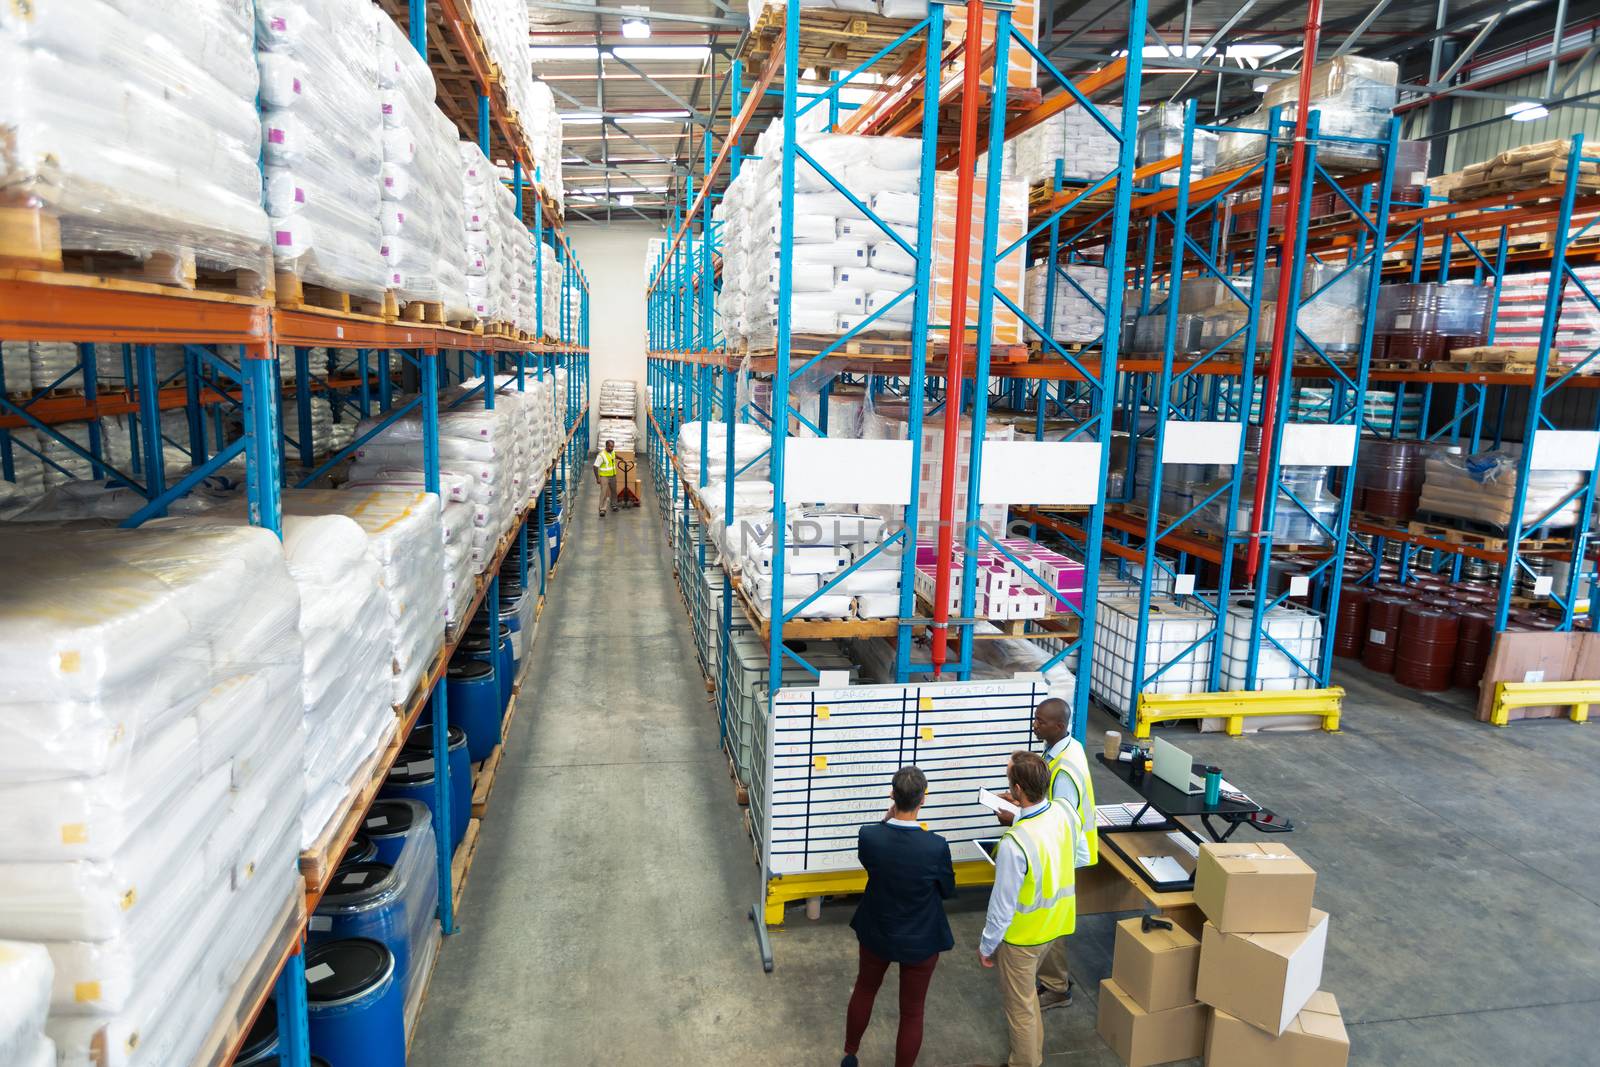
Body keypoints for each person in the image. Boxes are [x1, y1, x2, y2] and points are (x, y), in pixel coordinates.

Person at [842, 766, 955, 1067]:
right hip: (921, 937)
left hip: (877, 929)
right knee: (912, 1010)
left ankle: (850, 1052)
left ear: (892, 796)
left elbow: (872, 859)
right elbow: (947, 889)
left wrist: (886, 819)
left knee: (865, 988)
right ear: (923, 800)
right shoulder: (935, 846)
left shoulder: (869, 836)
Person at [992, 697, 1097, 1010]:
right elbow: (1045, 804)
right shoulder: (1064, 748)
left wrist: (1016, 817)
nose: (1035, 724)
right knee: (1052, 915)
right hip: (1055, 846)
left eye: (1041, 721)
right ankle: (1056, 982)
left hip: (1060, 851)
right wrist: (1017, 800)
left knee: (1050, 916)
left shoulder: (1064, 769)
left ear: (1059, 726)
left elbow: (1060, 819)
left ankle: (1056, 987)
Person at [978, 752, 1078, 1067]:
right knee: (1027, 999)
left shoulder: (1014, 844)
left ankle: (1024, 1063)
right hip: (1057, 924)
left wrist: (987, 944)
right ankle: (1032, 1056)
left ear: (1018, 791)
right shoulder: (1064, 813)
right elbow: (1049, 842)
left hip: (1023, 937)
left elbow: (1002, 905)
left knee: (1019, 1009)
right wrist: (1021, 812)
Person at [594, 438, 618, 517]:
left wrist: (620, 458)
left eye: (613, 447)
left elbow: (614, 456)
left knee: (614, 491)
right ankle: (602, 509)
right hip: (604, 476)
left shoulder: (612, 452)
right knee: (604, 492)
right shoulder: (601, 455)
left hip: (613, 475)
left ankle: (614, 505)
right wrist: (597, 478)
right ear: (606, 446)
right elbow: (595, 466)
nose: (612, 448)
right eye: (610, 447)